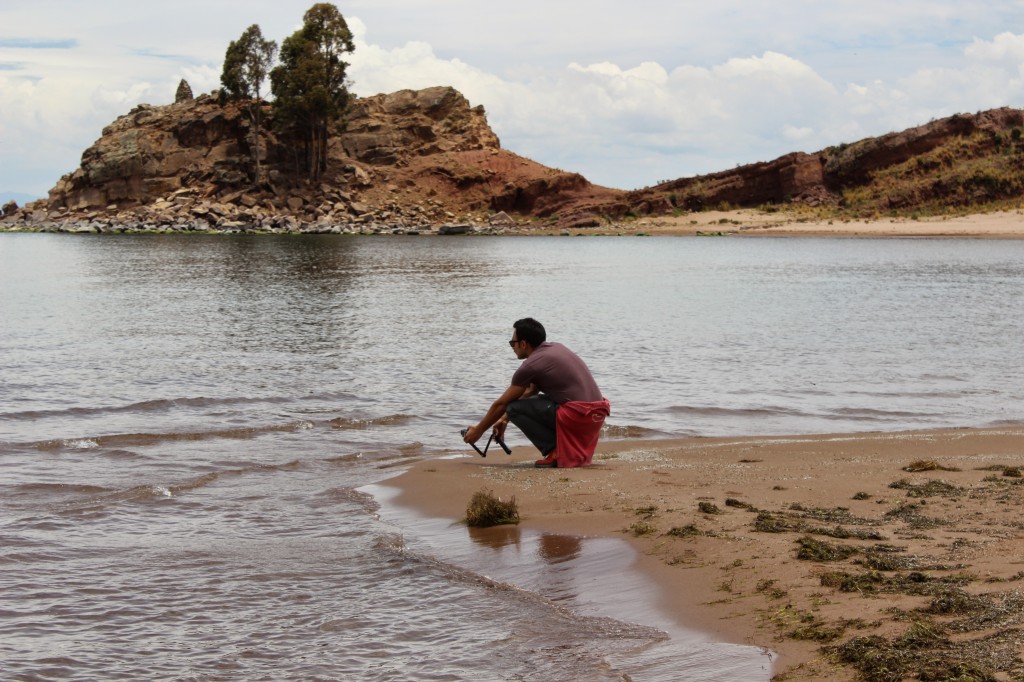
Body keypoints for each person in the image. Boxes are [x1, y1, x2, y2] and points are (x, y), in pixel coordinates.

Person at [462, 318, 610, 468]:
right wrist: (504, 419)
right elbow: (531, 391)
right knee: (519, 406)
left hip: (578, 416)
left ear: (523, 344)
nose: (512, 347)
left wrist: (479, 430)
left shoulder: (530, 366)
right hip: (596, 415)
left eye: (512, 343)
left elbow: (502, 403)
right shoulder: (555, 348)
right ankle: (560, 449)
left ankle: (554, 450)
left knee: (513, 407)